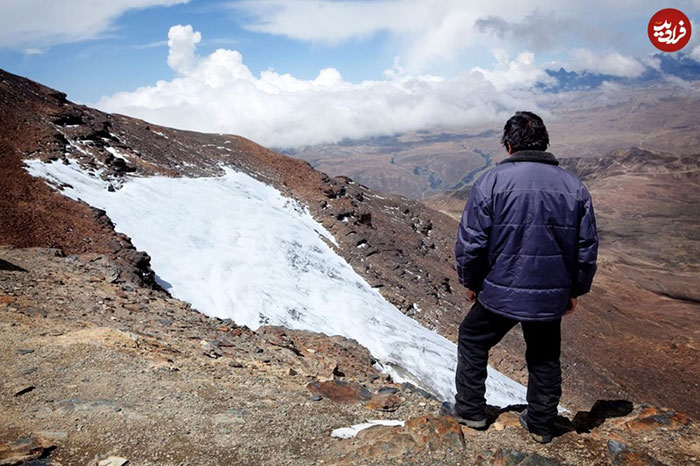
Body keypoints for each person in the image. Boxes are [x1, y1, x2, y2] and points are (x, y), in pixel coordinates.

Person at [441, 111, 598, 444]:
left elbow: (472, 242)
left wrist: (473, 282)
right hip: (550, 293)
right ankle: (541, 423)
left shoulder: (492, 182)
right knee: (543, 353)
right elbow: (586, 247)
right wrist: (575, 290)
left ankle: (470, 409)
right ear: (544, 143)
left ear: (509, 144)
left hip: (500, 289)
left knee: (473, 337)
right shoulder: (573, 187)